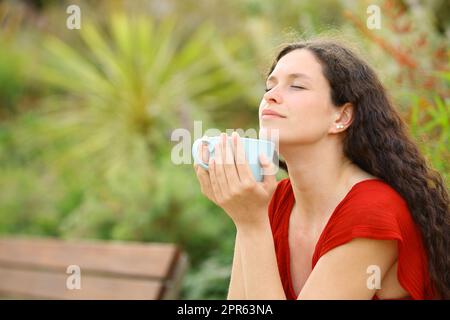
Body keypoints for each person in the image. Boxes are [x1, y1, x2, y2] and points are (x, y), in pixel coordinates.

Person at [193, 39, 449, 300]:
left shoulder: (373, 211)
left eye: (296, 86)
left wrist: (251, 224)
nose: (270, 96)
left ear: (341, 117)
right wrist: (246, 217)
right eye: (269, 86)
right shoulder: (273, 201)